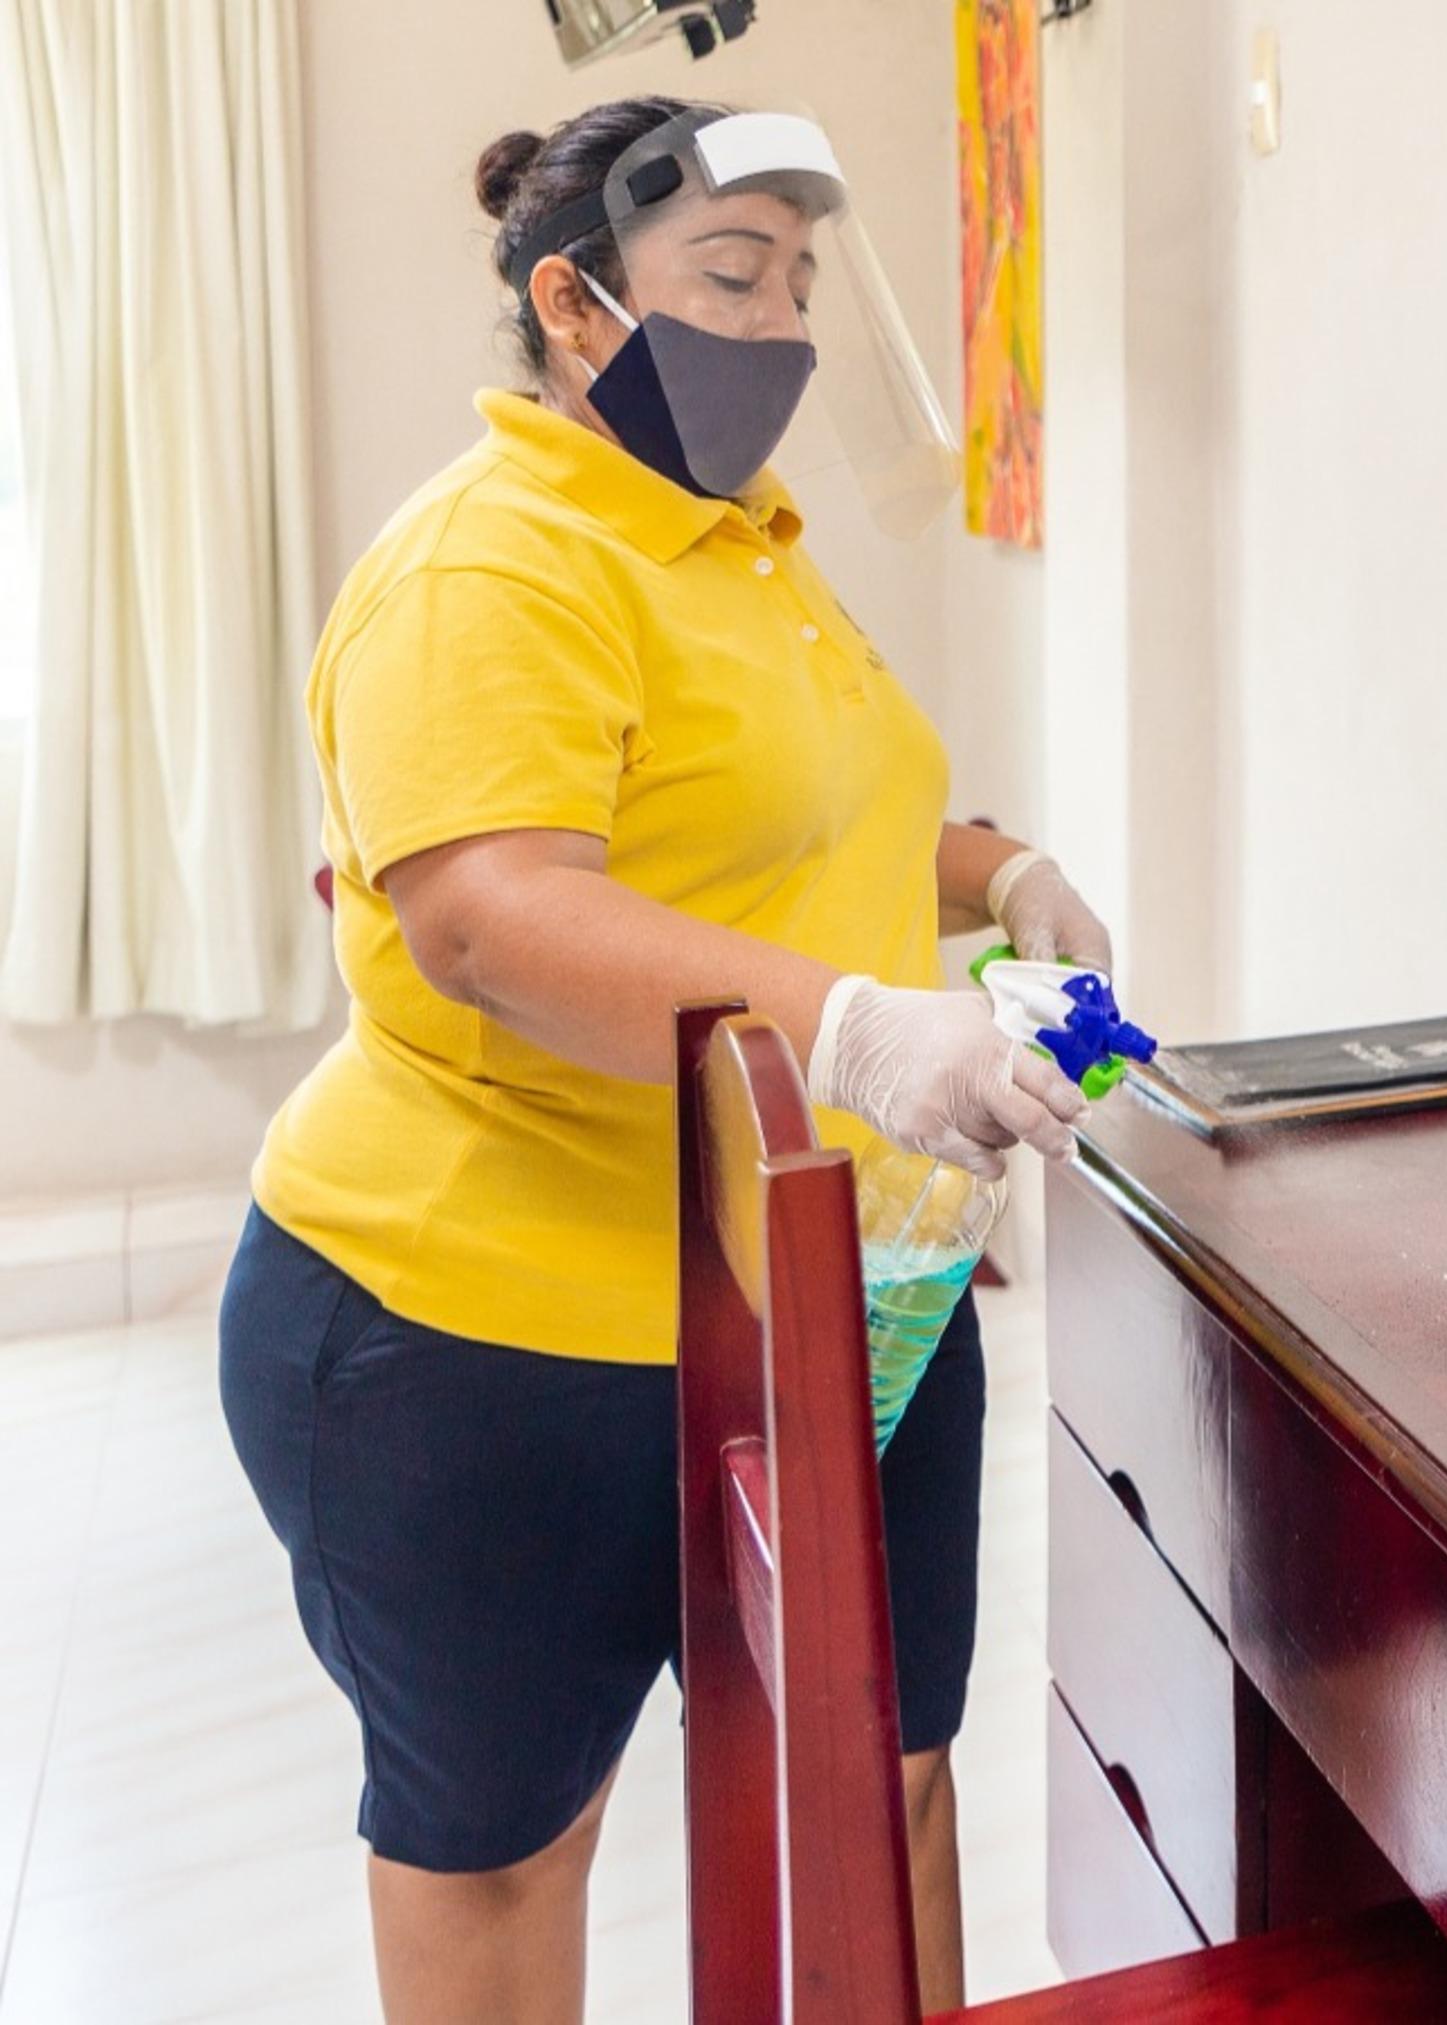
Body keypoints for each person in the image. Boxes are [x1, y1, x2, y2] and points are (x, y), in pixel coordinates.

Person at [219, 97, 1109, 2022]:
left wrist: (999, 874)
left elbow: (786, 820)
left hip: (834, 1298)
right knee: (513, 1845)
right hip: (486, 1341)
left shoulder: (743, 547)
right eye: (728, 275)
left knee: (886, 1794)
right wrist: (864, 1033)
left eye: (797, 284)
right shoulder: (492, 563)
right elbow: (493, 916)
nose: (775, 327)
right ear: (573, 300)